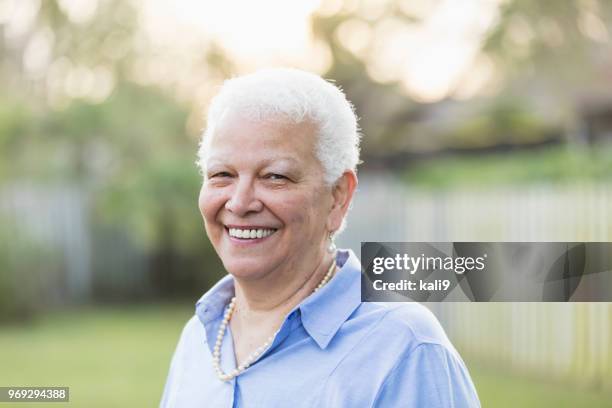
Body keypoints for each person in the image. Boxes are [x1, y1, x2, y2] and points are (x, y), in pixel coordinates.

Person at [160, 68, 480, 407]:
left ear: (338, 196)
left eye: (274, 176)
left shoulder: (404, 349)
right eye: (222, 174)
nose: (239, 203)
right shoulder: (198, 338)